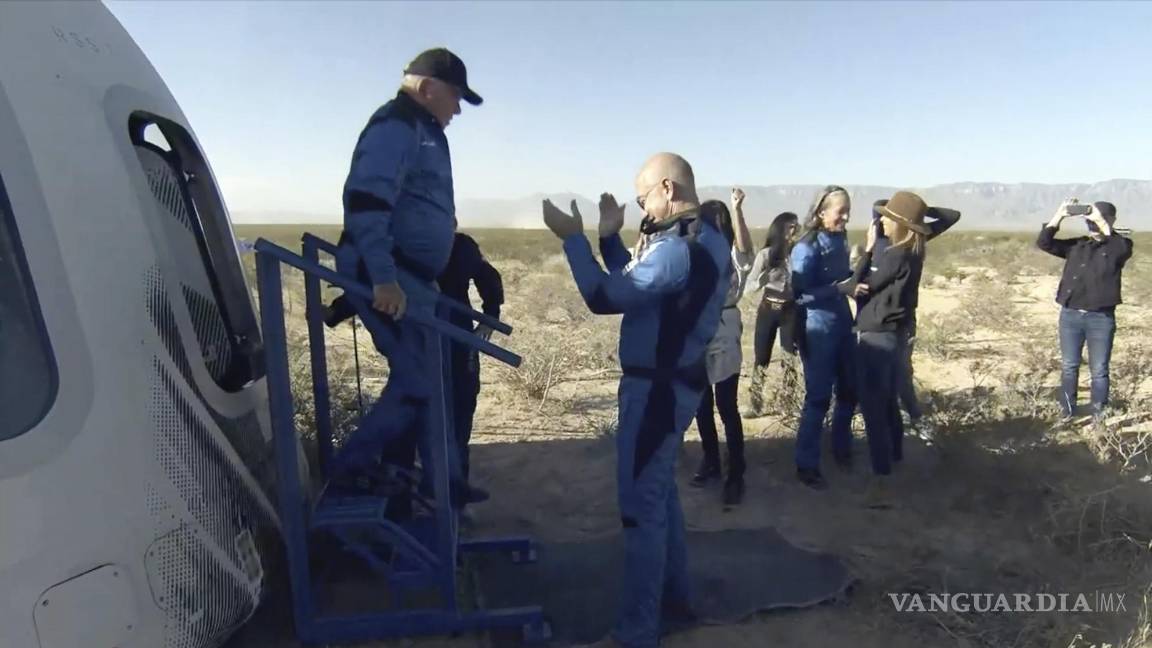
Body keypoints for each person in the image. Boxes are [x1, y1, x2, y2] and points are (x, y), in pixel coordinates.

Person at [542, 153, 729, 648]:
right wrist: (609, 238)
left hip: (657, 392)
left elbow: (606, 296)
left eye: (643, 196)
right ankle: (677, 599)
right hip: (676, 384)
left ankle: (637, 632)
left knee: (640, 509)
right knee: (659, 494)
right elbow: (643, 286)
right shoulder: (703, 238)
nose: (641, 206)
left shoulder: (676, 247)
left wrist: (572, 239)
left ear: (668, 189)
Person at [328, 47, 483, 510]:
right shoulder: (396, 124)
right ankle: (350, 465)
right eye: (455, 96)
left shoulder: (422, 129)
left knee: (431, 381)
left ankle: (446, 482)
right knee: (417, 377)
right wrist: (383, 278)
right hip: (390, 272)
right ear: (427, 87)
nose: (457, 108)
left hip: (414, 278)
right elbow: (365, 200)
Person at [321, 217, 503, 505]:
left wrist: (491, 315)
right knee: (415, 413)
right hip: (421, 346)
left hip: (453, 346)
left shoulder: (459, 247)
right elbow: (373, 290)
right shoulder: (407, 253)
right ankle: (403, 498)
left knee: (453, 412)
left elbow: (488, 278)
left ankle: (446, 494)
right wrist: (334, 313)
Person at [852, 192, 956, 507]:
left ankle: (881, 479)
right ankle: (894, 456)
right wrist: (917, 216)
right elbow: (950, 215)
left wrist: (867, 253)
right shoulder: (913, 249)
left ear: (899, 225)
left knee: (874, 409)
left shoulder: (893, 254)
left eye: (886, 216)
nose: (879, 220)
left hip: (877, 335)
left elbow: (860, 285)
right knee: (888, 401)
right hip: (894, 334)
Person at [864, 198, 960, 441]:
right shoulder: (882, 243)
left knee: (900, 373)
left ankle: (914, 418)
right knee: (883, 373)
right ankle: (898, 420)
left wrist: (917, 212)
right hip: (879, 319)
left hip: (901, 320)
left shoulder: (911, 241)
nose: (883, 220)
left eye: (890, 216)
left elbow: (952, 215)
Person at [1036, 198, 1133, 424]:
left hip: (1100, 318)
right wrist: (1059, 215)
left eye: (1097, 220)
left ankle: (1099, 417)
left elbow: (1118, 248)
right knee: (1069, 366)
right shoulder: (1078, 245)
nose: (1092, 224)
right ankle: (1067, 412)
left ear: (1111, 220)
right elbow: (1044, 242)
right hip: (1070, 315)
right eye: (1089, 221)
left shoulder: (1121, 245)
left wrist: (1099, 219)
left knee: (1099, 369)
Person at [790, 185, 859, 490]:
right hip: (818, 329)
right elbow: (799, 295)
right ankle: (806, 464)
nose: (845, 217)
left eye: (847, 211)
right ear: (820, 213)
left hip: (843, 323)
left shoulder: (840, 239)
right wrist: (837, 289)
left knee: (848, 390)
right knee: (818, 397)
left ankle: (841, 448)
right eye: (840, 211)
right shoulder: (806, 247)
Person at [689, 189, 753, 506]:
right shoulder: (695, 255)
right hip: (698, 332)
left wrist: (737, 210)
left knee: (726, 405)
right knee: (701, 405)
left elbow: (745, 250)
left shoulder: (733, 258)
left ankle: (736, 471)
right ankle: (711, 460)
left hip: (725, 330)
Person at [741, 211, 801, 419]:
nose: (794, 230)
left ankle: (788, 402)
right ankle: (756, 403)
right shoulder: (765, 255)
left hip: (790, 311)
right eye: (790, 226)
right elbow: (748, 286)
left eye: (796, 226)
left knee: (789, 358)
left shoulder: (799, 253)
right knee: (761, 357)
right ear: (780, 229)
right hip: (768, 309)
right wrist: (761, 281)